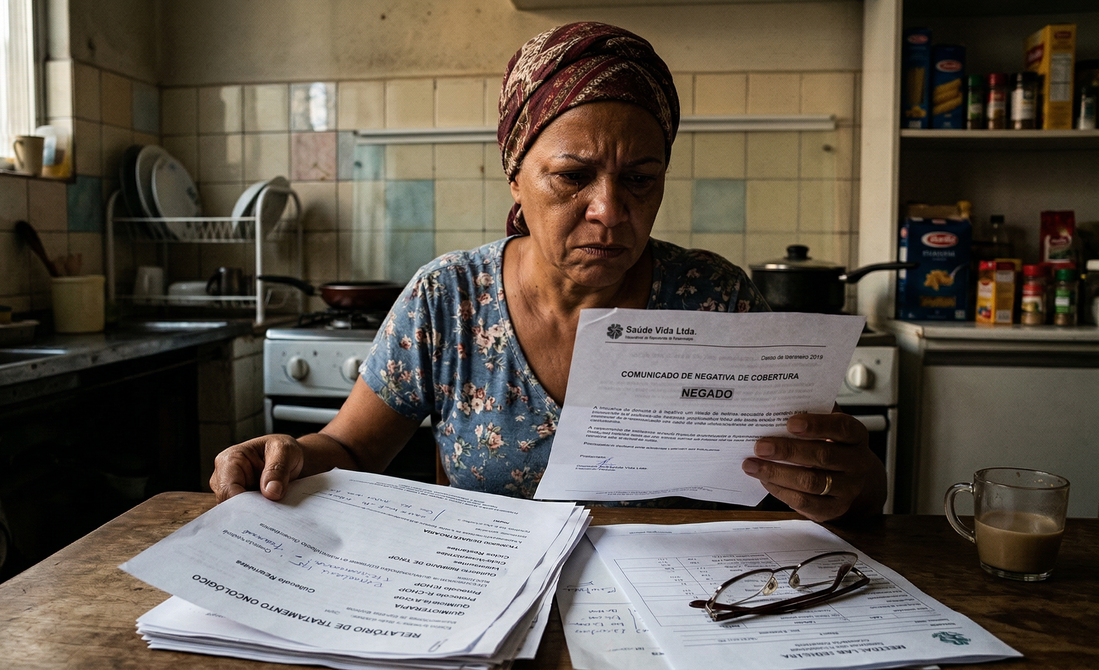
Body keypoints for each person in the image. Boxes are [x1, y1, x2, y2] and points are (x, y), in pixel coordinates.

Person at [211, 22, 886, 522]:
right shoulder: (448, 300)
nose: (609, 211)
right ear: (516, 175)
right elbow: (351, 449)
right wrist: (288, 455)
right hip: (486, 607)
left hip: (683, 610)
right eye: (572, 176)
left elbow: (836, 484)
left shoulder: (714, 298)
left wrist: (849, 482)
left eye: (640, 180)